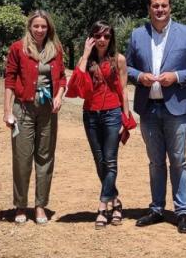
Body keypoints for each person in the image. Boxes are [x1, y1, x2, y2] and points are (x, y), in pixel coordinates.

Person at [127, 0, 186, 234]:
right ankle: (157, 209)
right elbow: (127, 67)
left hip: (177, 108)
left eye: (163, 5)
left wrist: (177, 76)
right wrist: (139, 76)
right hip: (148, 109)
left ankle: (182, 211)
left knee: (178, 160)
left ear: (170, 7)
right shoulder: (137, 35)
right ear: (149, 8)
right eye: (155, 6)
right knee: (155, 162)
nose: (159, 10)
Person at [3, 10, 67, 225]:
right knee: (22, 159)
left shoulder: (56, 49)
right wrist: (7, 111)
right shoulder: (17, 48)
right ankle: (20, 205)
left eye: (44, 26)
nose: (40, 30)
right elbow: (10, 80)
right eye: (36, 26)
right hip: (23, 109)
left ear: (49, 28)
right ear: (29, 27)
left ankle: (40, 205)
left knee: (45, 158)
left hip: (48, 111)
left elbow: (62, 78)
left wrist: (59, 96)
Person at [65, 20, 131, 229]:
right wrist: (85, 53)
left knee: (110, 161)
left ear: (111, 39)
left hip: (112, 113)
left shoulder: (118, 59)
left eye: (107, 36)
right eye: (98, 36)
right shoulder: (88, 60)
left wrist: (126, 118)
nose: (102, 40)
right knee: (99, 160)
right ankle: (116, 201)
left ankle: (103, 206)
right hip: (91, 114)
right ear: (92, 37)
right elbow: (74, 85)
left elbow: (123, 90)